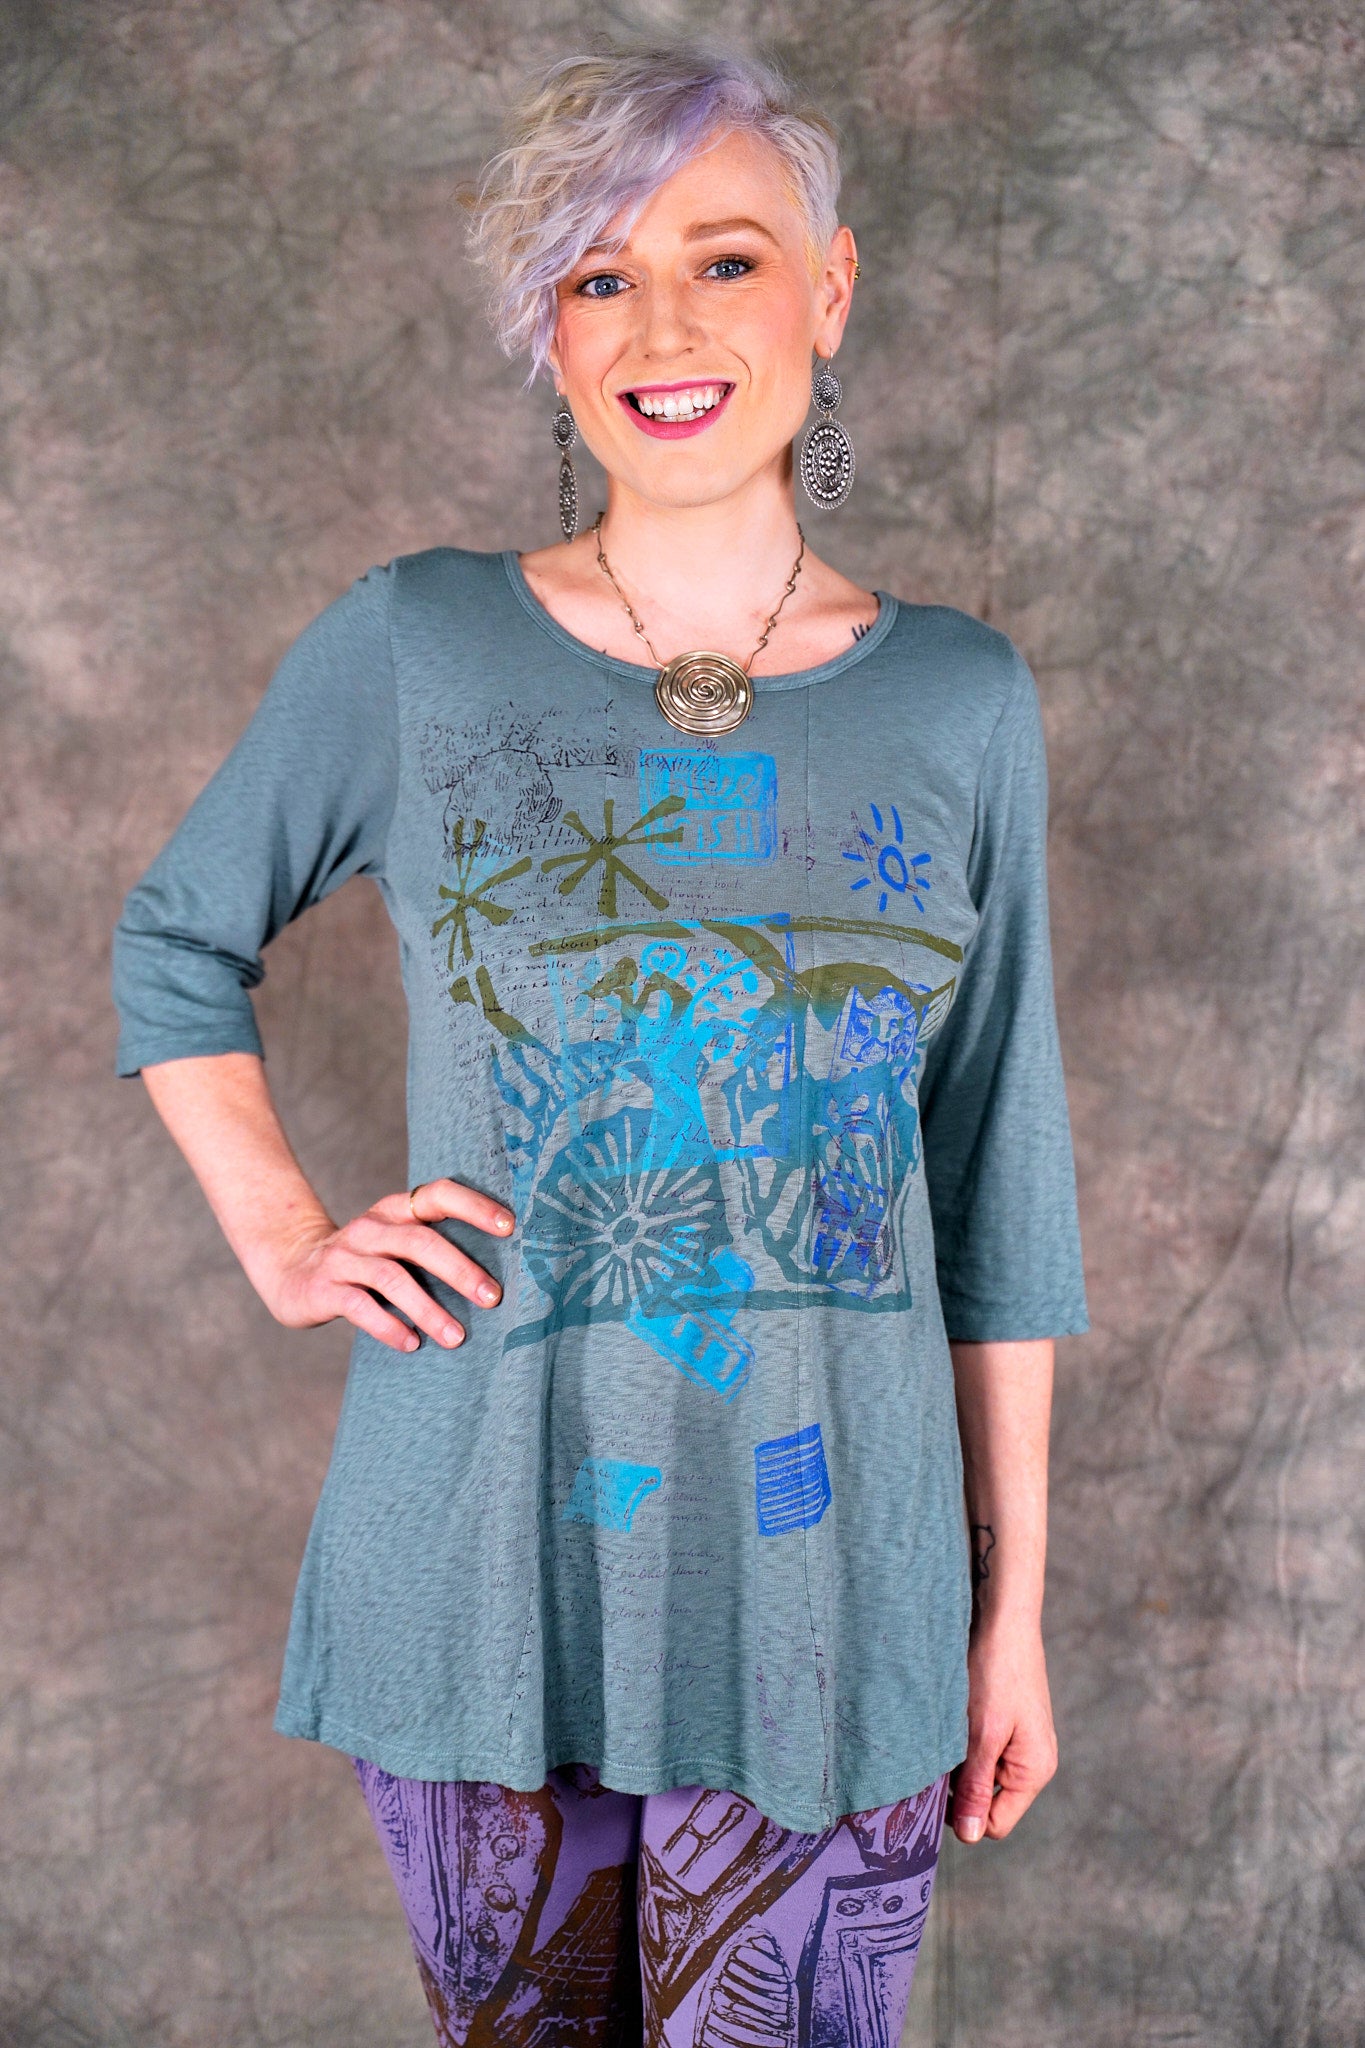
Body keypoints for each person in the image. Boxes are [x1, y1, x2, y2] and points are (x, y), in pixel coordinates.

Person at [110, 36, 1088, 2048]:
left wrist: (1011, 1614)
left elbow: (999, 1184)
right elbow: (173, 944)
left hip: (835, 1595)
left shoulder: (959, 702)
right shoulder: (417, 645)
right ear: (547, 332)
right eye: (597, 274)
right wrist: (289, 1236)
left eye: (724, 260)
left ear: (827, 290)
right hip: (484, 1571)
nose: (663, 328)